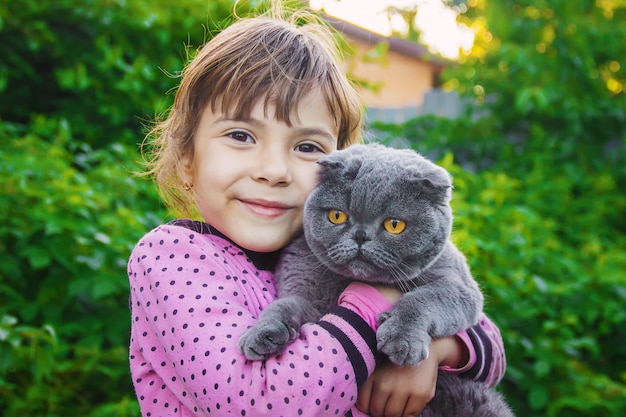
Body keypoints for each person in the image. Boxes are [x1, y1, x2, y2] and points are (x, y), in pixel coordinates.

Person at [127, 2, 506, 416]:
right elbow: (259, 405)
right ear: (187, 160)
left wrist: (433, 349)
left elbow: (489, 344)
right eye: (240, 135)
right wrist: (374, 300)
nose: (273, 171)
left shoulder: (320, 245)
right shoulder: (174, 257)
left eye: (307, 147)